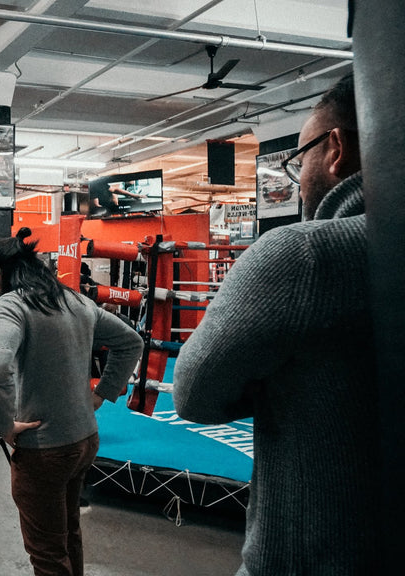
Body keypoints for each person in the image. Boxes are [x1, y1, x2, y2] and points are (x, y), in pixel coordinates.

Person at [173, 75, 379, 575]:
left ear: (335, 149)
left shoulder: (303, 255)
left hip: (308, 559)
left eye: (298, 158)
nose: (296, 177)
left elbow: (195, 394)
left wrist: (272, 379)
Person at [0, 227, 143, 576]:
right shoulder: (77, 300)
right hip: (84, 439)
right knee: (68, 535)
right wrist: (102, 394)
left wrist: (5, 424)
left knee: (47, 553)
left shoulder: (12, 303)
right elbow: (132, 341)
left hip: (44, 449)